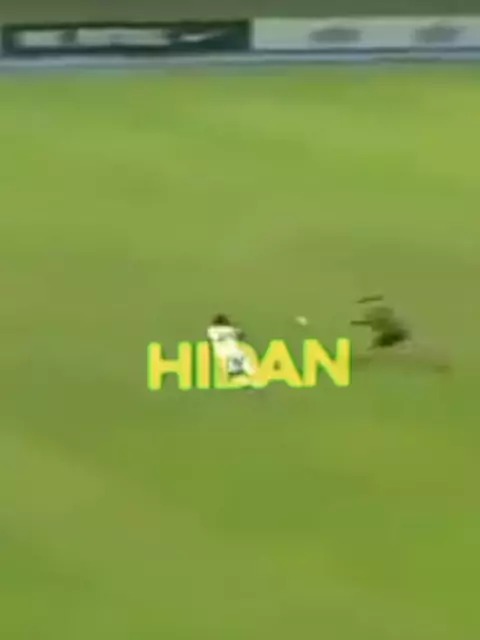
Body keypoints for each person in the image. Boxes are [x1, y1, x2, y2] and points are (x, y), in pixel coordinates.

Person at [207, 314, 255, 382]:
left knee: (241, 357)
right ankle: (237, 375)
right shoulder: (222, 330)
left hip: (222, 351)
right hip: (228, 351)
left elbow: (241, 335)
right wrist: (234, 331)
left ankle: (246, 373)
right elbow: (241, 335)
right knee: (239, 356)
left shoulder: (213, 330)